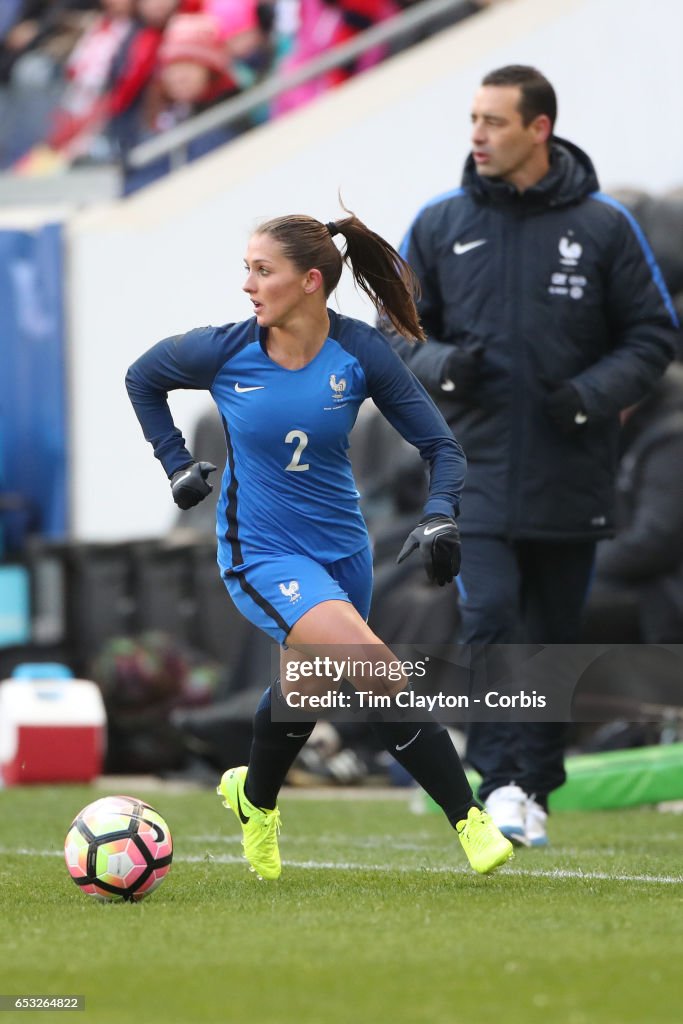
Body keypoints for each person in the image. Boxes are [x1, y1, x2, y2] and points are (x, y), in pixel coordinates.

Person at [126, 207, 514, 879]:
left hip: (344, 552)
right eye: (246, 268)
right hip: (261, 554)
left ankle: (254, 798)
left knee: (304, 690)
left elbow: (440, 448)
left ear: (309, 281)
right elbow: (142, 376)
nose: (247, 284)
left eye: (261, 270)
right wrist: (175, 462)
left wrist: (440, 514)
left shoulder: (359, 351)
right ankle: (469, 819)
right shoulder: (223, 349)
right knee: (376, 666)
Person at [382, 65, 679, 847]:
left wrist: (586, 393)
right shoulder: (439, 224)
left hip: (571, 471)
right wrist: (444, 366)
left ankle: (533, 787)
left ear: (538, 128)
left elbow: (651, 336)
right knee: (488, 614)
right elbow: (393, 334)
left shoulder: (605, 225)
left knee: (551, 633)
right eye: (472, 119)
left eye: (494, 121)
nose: (476, 135)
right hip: (468, 471)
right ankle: (499, 780)